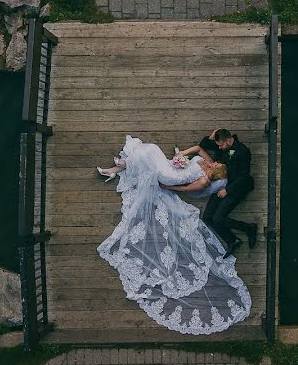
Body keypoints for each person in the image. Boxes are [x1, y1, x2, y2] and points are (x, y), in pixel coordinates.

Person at [95, 135, 252, 335]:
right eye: (215, 163)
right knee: (149, 150)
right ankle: (117, 168)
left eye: (215, 166)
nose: (214, 163)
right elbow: (197, 148)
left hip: (171, 178)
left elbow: (185, 188)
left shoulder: (204, 180)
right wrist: (181, 156)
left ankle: (120, 166)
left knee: (150, 152)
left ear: (214, 173)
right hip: (174, 168)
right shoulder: (206, 163)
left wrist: (167, 187)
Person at [198, 128, 258, 257]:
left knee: (218, 219)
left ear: (229, 140)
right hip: (221, 184)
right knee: (208, 217)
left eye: (221, 145)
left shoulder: (243, 152)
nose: (219, 148)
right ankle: (233, 240)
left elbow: (243, 176)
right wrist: (211, 137)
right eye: (218, 145)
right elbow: (203, 145)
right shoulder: (221, 143)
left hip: (237, 187)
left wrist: (227, 190)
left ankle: (248, 228)